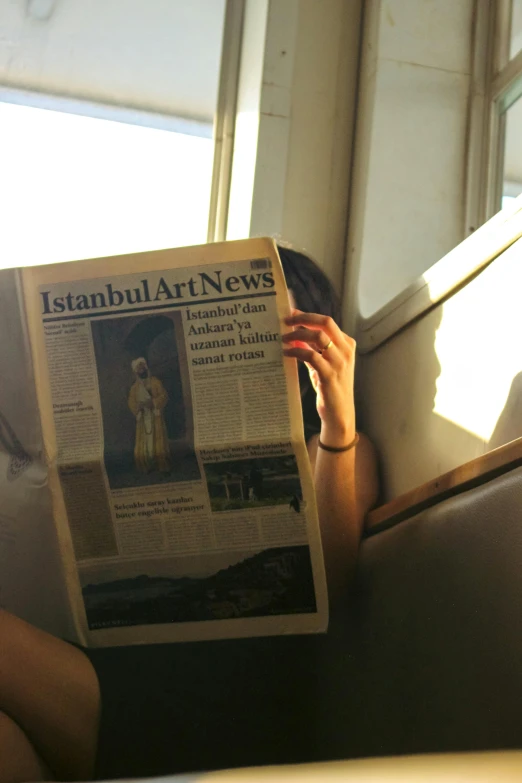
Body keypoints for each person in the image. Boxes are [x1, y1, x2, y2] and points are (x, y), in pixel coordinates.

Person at [0, 245, 378, 782]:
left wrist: (338, 426)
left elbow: (332, 579)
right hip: (89, 668)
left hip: (211, 698)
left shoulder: (341, 448)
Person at [127, 357, 171, 474]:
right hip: (143, 418)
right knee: (145, 443)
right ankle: (146, 465)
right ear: (136, 371)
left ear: (146, 367)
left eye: (143, 367)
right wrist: (139, 408)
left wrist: (153, 402)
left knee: (157, 441)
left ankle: (160, 464)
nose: (142, 369)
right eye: (139, 368)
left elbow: (163, 395)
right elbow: (131, 402)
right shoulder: (134, 388)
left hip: (155, 416)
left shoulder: (155, 382)